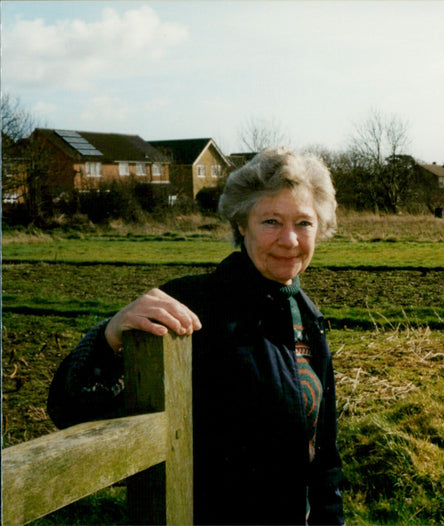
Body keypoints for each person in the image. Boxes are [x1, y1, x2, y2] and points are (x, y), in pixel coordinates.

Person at [48, 147, 345, 525]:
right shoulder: (190, 309)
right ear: (242, 224)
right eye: (271, 221)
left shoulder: (308, 318)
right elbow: (71, 411)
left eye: (304, 223)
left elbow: (324, 458)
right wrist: (110, 335)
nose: (290, 240)